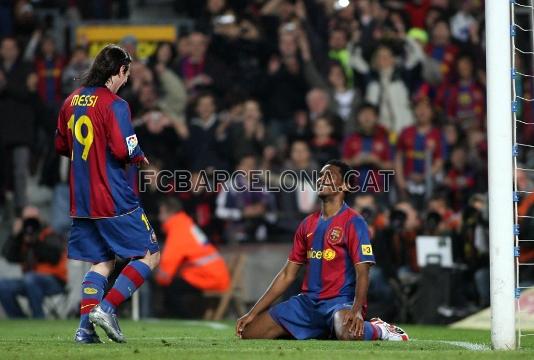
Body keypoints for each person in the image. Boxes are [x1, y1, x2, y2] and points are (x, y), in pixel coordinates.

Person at [55, 44, 160, 344]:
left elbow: (62, 146)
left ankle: (84, 330)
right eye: (127, 74)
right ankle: (107, 307)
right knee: (149, 254)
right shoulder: (116, 105)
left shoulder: (70, 101)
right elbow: (122, 148)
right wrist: (138, 155)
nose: (127, 80)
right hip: (112, 194)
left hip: (82, 198)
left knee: (101, 262)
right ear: (120, 71)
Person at [236, 159, 408, 341]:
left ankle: (378, 328)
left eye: (329, 175)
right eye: (320, 176)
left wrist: (357, 310)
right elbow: (287, 275)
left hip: (339, 303)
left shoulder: (354, 222)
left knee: (348, 334)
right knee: (249, 333)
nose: (321, 179)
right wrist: (253, 313)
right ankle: (319, 329)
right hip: (306, 304)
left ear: (345, 185)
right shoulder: (307, 224)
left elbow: (363, 272)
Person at [155, 197, 230, 318]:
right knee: (174, 286)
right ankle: (182, 317)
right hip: (212, 274)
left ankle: (187, 319)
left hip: (209, 277)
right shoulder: (185, 223)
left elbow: (169, 261)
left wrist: (159, 278)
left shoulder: (178, 228)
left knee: (170, 288)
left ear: (170, 212)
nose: (159, 217)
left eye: (161, 213)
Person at [0, 206, 67, 318]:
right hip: (29, 281)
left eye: (33, 219)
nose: (30, 223)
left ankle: (38, 318)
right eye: (27, 219)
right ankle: (19, 320)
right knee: (3, 285)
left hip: (54, 281)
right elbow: (9, 256)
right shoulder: (21, 238)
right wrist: (14, 236)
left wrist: (35, 242)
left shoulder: (50, 233)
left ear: (40, 218)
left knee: (30, 278)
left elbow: (54, 257)